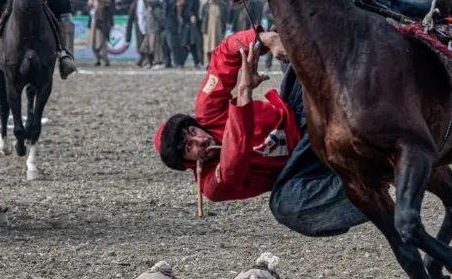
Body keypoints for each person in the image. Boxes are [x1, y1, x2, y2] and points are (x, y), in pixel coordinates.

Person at [154, 29, 367, 237]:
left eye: (192, 132)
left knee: (298, 29)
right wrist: (244, 93)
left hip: (295, 110)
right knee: (285, 207)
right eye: (188, 147)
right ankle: (372, 189)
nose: (199, 140)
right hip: (302, 165)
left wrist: (267, 39)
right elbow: (234, 163)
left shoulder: (207, 112)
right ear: (188, 163)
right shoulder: (210, 185)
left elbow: (224, 54)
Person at [200, 0, 227, 64]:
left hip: (218, 30)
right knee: (207, 47)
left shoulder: (222, 5)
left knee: (218, 47)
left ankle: (218, 63)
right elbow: (201, 15)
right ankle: (207, 63)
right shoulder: (206, 5)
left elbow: (225, 17)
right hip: (207, 30)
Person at [88, 0, 113, 67]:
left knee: (101, 44)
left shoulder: (103, 3)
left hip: (101, 25)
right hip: (93, 25)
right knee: (93, 44)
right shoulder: (92, 5)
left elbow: (107, 3)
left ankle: (105, 60)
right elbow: (91, 14)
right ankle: (97, 59)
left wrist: (99, 1)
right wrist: (91, 5)